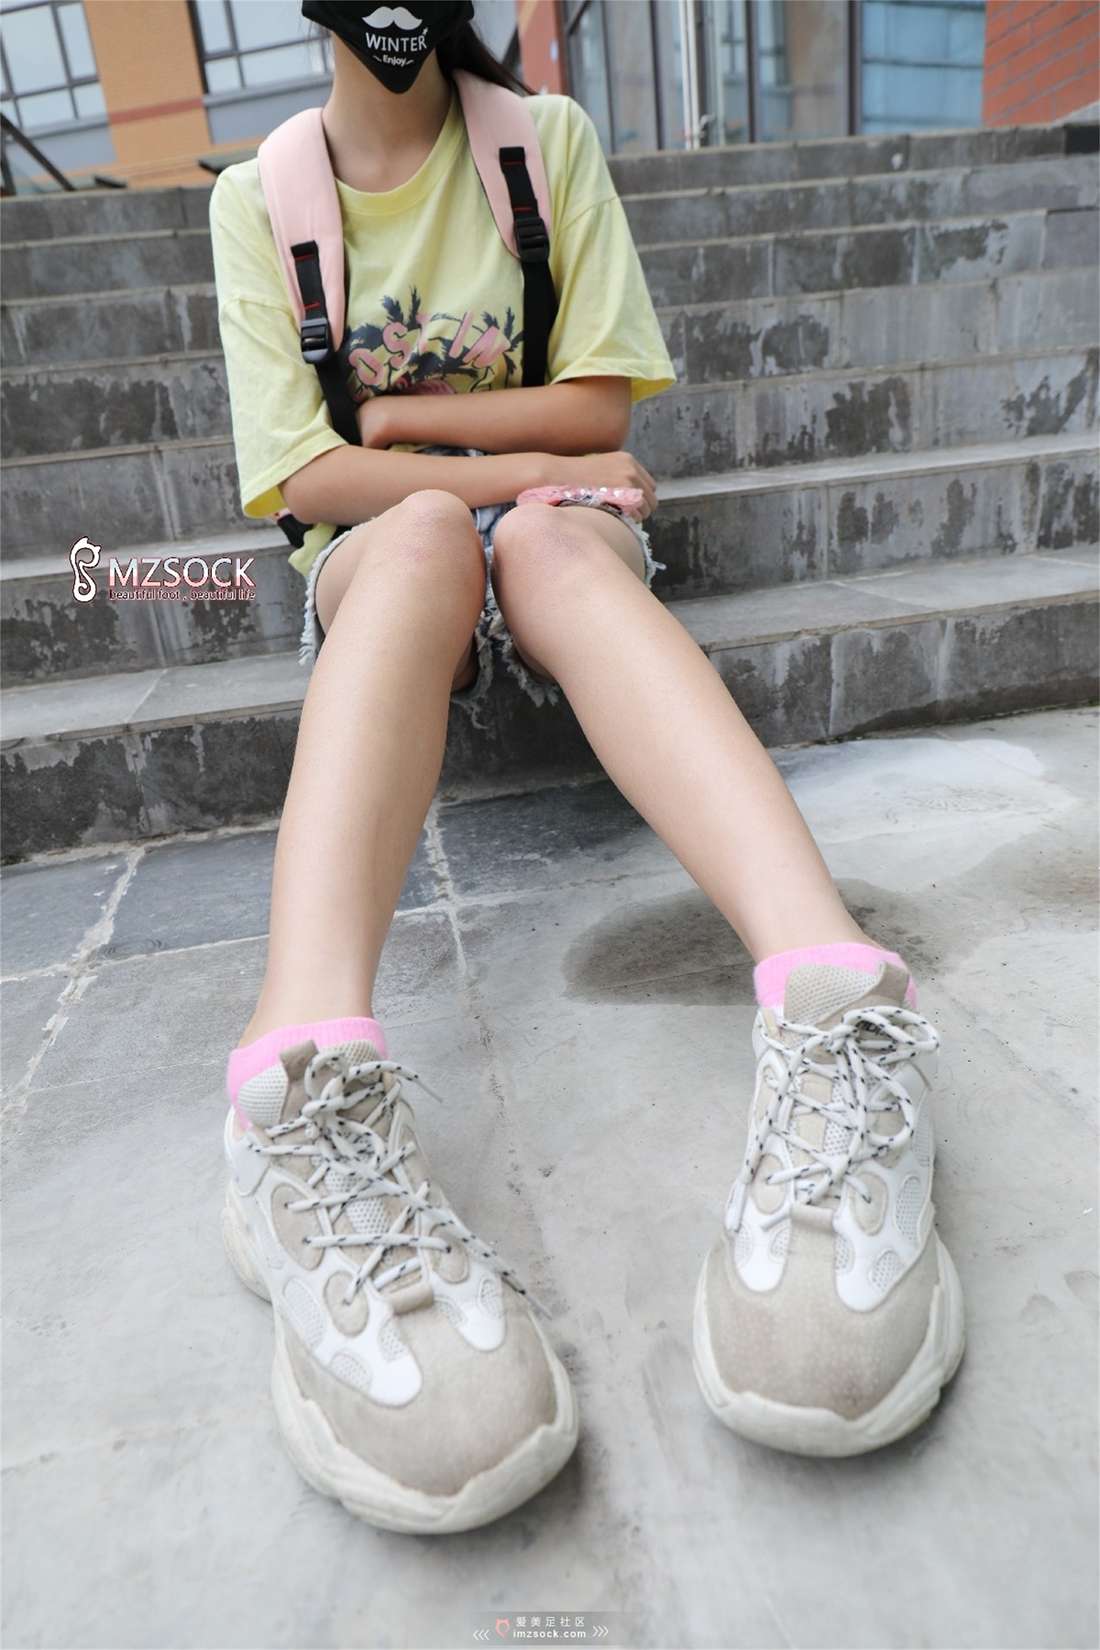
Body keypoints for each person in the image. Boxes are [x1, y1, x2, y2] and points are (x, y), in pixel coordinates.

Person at [210, 1, 965, 1534]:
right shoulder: (260, 199)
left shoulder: (541, 144)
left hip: (563, 531)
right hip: (386, 553)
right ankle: (293, 1088)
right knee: (422, 535)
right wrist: (501, 467)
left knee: (549, 544)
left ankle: (835, 999)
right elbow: (307, 475)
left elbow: (603, 408)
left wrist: (445, 437)